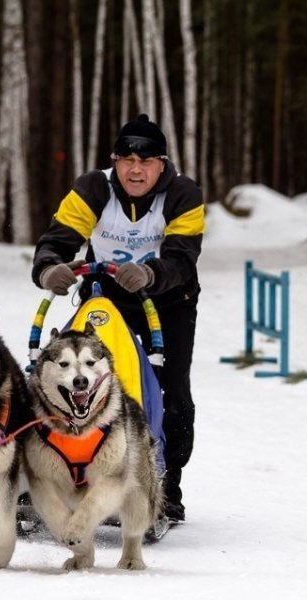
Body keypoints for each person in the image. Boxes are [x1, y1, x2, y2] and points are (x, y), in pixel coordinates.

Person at [31, 113, 205, 523]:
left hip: (169, 300)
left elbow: (182, 258)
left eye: (145, 161)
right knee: (69, 376)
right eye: (126, 159)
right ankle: (57, 476)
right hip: (105, 296)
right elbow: (56, 240)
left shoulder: (183, 194)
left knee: (171, 390)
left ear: (161, 164)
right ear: (115, 162)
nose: (135, 169)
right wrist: (49, 269)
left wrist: (149, 273)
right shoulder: (94, 188)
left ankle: (167, 484)